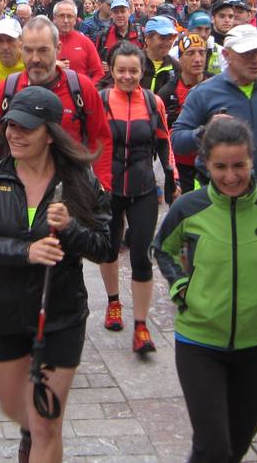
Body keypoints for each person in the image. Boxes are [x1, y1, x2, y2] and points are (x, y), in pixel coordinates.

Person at [154, 116, 257, 463]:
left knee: (236, 445)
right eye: (220, 166)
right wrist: (181, 287)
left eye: (239, 166)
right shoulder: (190, 207)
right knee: (213, 447)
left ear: (253, 160)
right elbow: (161, 248)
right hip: (199, 342)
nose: (230, 176)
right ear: (205, 162)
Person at [0, 86, 112, 463]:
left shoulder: (79, 180)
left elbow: (106, 247)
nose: (14, 134)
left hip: (61, 316)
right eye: (10, 125)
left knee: (47, 424)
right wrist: (25, 252)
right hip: (4, 314)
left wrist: (72, 229)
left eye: (26, 128)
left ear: (49, 132)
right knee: (21, 413)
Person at [97, 42, 172, 355]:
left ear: (143, 72)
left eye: (134, 71)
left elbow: (164, 143)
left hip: (143, 188)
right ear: (112, 70)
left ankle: (141, 325)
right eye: (121, 70)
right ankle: (114, 302)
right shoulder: (101, 100)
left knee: (142, 253)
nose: (127, 76)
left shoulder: (154, 103)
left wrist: (172, 178)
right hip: (108, 188)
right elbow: (91, 143)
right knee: (109, 248)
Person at [0, 17, 113, 191]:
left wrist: (103, 188)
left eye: (43, 50)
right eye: (29, 51)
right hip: (18, 190)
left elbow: (100, 139)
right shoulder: (7, 89)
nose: (35, 59)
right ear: (21, 49)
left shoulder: (81, 88)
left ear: (58, 48)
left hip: (71, 188)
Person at [172, 25, 257, 188]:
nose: (256, 60)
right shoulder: (203, 92)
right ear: (226, 55)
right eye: (247, 53)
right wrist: (205, 131)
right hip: (214, 191)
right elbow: (177, 141)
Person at [158, 32, 209, 195]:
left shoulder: (216, 86)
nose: (198, 59)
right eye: (190, 53)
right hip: (180, 166)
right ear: (180, 58)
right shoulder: (167, 91)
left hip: (211, 163)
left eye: (202, 53)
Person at [52, 0, 105, 83]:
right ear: (54, 18)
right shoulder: (46, 42)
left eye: (69, 16)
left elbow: (99, 73)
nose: (66, 20)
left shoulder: (85, 42)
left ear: (75, 20)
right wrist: (52, 65)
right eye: (61, 16)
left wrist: (86, 89)